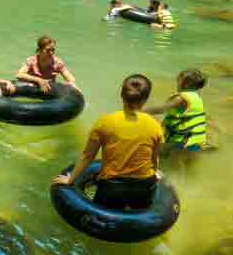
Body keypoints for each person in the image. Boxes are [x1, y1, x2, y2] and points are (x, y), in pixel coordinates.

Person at [52, 75, 163, 210]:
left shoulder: (105, 122)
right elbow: (154, 157)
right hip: (144, 186)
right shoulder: (155, 124)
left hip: (113, 187)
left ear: (121, 95)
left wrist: (70, 179)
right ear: (146, 99)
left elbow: (87, 156)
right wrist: (155, 171)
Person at [145, 69, 207, 152]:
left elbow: (162, 109)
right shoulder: (197, 98)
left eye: (178, 81)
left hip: (182, 142)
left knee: (161, 156)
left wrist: (140, 111)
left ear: (185, 84)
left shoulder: (181, 98)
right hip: (196, 140)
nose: (177, 84)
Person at [15, 35, 79, 94]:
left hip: (49, 91)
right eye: (48, 50)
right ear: (40, 50)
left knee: (74, 86)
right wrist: (39, 80)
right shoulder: (32, 61)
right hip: (31, 89)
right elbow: (19, 75)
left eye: (53, 50)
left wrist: (68, 85)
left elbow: (71, 79)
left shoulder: (57, 63)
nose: (51, 53)